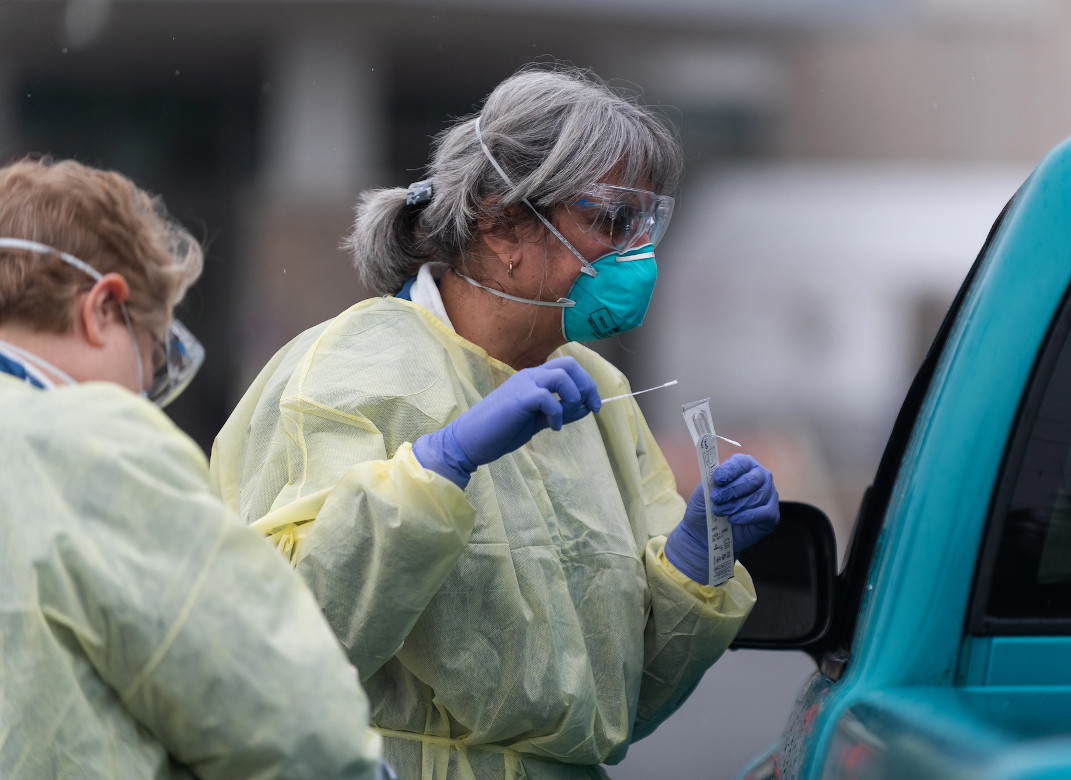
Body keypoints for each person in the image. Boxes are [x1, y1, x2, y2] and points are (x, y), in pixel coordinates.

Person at [211, 65, 780, 779]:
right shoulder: (347, 370)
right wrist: (435, 470)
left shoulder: (600, 392)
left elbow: (624, 703)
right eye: (608, 219)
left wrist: (696, 559)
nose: (635, 254)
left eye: (645, 224)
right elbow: (280, 641)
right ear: (503, 222)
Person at [0, 157, 395, 779]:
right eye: (152, 356)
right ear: (103, 307)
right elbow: (287, 726)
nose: (142, 395)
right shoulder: (92, 443)